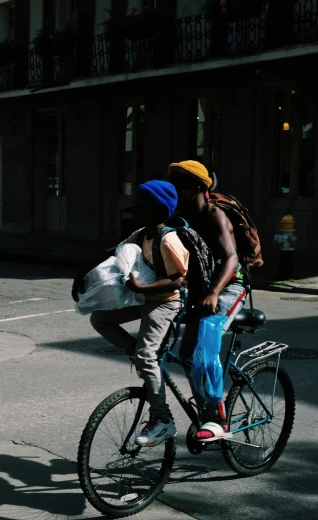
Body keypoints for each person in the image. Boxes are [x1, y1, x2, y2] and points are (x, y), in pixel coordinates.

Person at [72, 180, 188, 447]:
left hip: (165, 303)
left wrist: (142, 286)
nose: (134, 210)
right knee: (100, 319)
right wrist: (81, 274)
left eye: (141, 206)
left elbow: (176, 281)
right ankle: (139, 354)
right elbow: (112, 252)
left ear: (158, 210)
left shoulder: (169, 240)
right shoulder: (140, 234)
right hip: (143, 298)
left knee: (147, 355)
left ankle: (162, 419)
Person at [168, 160, 248, 442]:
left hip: (229, 286)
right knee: (188, 354)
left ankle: (217, 417)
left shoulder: (216, 216)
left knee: (206, 341)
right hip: (202, 290)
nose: (175, 190)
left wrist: (214, 292)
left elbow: (231, 257)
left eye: (181, 186)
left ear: (199, 189)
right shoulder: (180, 216)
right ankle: (205, 407)